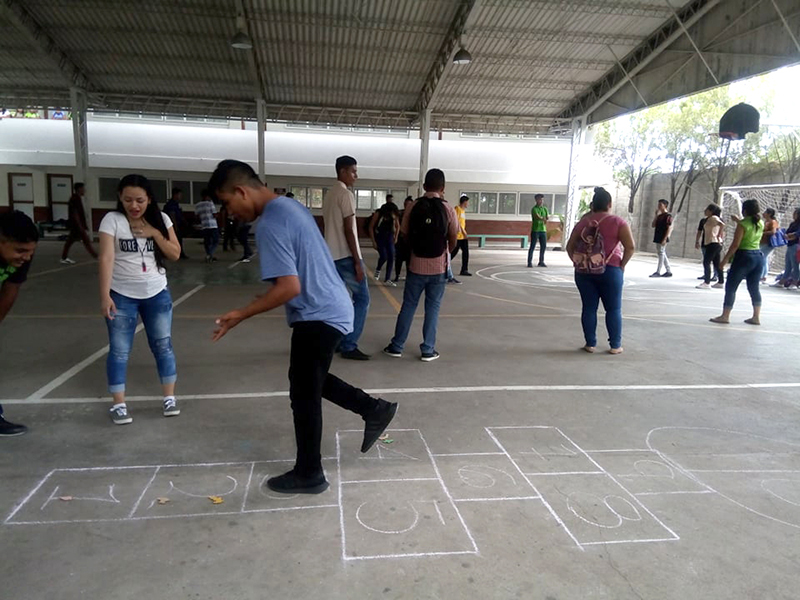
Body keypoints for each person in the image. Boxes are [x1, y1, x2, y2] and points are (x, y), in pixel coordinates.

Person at [208, 160, 397, 495]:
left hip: (318, 314)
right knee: (309, 379)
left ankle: (310, 472)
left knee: (304, 393)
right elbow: (297, 272)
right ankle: (374, 409)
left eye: (227, 203)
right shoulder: (289, 206)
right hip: (331, 307)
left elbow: (290, 287)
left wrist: (242, 313)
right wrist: (267, 296)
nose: (231, 213)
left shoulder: (268, 223)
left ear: (240, 191)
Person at [98, 174, 183, 425]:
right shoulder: (112, 221)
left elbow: (175, 253)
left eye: (140, 200)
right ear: (119, 199)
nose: (134, 206)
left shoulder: (162, 219)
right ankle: (119, 404)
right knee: (120, 350)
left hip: (157, 294)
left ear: (149, 200)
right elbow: (106, 258)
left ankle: (169, 399)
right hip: (121, 295)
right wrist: (104, 296)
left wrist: (155, 233)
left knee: (163, 346)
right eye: (128, 200)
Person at [383, 169, 457, 362]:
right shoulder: (448, 208)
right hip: (439, 267)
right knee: (432, 308)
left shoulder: (414, 206)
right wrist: (446, 252)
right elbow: (453, 236)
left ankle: (396, 346)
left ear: (424, 186)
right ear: (443, 188)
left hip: (416, 266)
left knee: (408, 306)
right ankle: (428, 349)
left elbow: (405, 234)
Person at [566, 187, 635, 355]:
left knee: (589, 308)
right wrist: (622, 265)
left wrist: (580, 263)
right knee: (613, 309)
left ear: (592, 205)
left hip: (584, 272)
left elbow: (570, 247)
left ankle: (590, 343)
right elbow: (630, 247)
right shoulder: (618, 222)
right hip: (611, 270)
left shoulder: (583, 222)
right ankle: (615, 345)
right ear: (609, 204)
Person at [322, 155, 370, 360]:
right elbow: (349, 230)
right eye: (353, 171)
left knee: (338, 301)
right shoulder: (345, 194)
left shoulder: (329, 194)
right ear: (342, 171)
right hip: (345, 256)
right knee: (362, 298)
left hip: (330, 256)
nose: (356, 176)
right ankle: (348, 344)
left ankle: (334, 341)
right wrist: (357, 261)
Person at [0, 211, 39, 436]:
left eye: (30, 251)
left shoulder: (23, 255)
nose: (25, 257)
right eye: (20, 251)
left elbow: (10, 288)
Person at [710, 199, 764, 325]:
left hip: (744, 256)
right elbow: (749, 227)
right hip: (758, 256)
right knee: (754, 287)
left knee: (731, 287)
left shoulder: (743, 224)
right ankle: (756, 316)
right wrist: (738, 221)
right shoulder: (760, 222)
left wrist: (724, 260)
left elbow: (735, 245)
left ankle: (725, 315)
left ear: (744, 211)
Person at [61, 182, 98, 263]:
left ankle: (64, 257)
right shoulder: (75, 199)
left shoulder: (76, 198)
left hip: (76, 225)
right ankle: (96, 256)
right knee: (86, 241)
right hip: (76, 225)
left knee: (70, 241)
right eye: (83, 189)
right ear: (79, 189)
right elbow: (75, 213)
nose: (84, 190)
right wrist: (80, 226)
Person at [369, 195, 399, 286]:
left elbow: (398, 226)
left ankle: (388, 278)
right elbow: (371, 227)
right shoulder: (379, 213)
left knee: (391, 256)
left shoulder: (394, 215)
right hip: (380, 237)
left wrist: (396, 237)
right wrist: (373, 241)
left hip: (389, 236)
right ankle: (378, 270)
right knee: (384, 256)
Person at [696, 204, 725, 289]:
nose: (705, 211)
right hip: (715, 243)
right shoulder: (708, 219)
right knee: (717, 263)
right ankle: (720, 281)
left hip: (713, 243)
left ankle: (707, 282)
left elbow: (722, 224)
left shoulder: (713, 218)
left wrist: (719, 234)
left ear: (711, 211)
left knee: (706, 262)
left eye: (707, 209)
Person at [776, 208, 800, 289]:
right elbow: (787, 232)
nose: (793, 215)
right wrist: (785, 235)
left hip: (795, 246)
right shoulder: (793, 223)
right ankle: (782, 281)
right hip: (790, 245)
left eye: (795, 213)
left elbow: (797, 234)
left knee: (795, 265)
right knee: (788, 264)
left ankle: (795, 282)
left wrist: (790, 236)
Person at [194, 190, 220, 263]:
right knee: (215, 241)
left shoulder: (198, 205)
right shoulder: (210, 203)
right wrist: (217, 215)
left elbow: (196, 216)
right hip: (213, 225)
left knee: (207, 242)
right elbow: (214, 215)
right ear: (207, 196)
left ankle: (209, 255)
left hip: (204, 226)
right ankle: (210, 254)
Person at [650, 199, 673, 278]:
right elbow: (653, 225)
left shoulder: (668, 216)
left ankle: (658, 271)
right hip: (658, 236)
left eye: (660, 205)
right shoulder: (659, 216)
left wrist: (665, 238)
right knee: (662, 253)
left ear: (665, 206)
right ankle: (668, 270)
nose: (659, 206)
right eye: (658, 205)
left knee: (661, 253)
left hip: (663, 237)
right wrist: (656, 215)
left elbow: (668, 228)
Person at [164, 187, 189, 259]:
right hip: (173, 225)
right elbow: (172, 215)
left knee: (179, 240)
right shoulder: (171, 204)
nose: (180, 196)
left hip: (177, 224)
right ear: (175, 195)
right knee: (175, 240)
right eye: (179, 195)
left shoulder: (176, 204)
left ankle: (180, 253)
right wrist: (175, 226)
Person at [393, 196, 413, 282]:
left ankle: (409, 276)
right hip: (400, 240)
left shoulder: (414, 214)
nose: (406, 206)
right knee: (399, 259)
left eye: (408, 204)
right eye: (405, 204)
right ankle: (397, 275)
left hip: (410, 241)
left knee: (409, 260)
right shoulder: (399, 213)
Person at [451, 195, 471, 277]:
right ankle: (443, 266)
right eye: (468, 202)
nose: (468, 204)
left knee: (466, 253)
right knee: (453, 253)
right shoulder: (457, 209)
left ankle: (464, 269)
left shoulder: (463, 211)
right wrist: (464, 232)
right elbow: (457, 222)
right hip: (458, 236)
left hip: (462, 237)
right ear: (464, 202)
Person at [527, 194, 549, 268]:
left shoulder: (545, 209)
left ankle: (541, 261)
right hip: (535, 230)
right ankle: (529, 262)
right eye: (539, 199)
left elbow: (547, 217)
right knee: (532, 246)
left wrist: (545, 218)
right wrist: (543, 218)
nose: (541, 201)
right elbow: (537, 216)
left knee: (543, 246)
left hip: (543, 230)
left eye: (542, 199)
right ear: (536, 200)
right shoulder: (534, 209)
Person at [759, 207, 780, 282]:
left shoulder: (773, 222)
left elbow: (773, 231)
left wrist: (763, 233)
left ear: (769, 214)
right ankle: (763, 275)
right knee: (764, 258)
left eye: (765, 212)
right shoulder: (765, 222)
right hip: (762, 242)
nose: (763, 213)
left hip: (768, 243)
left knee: (762, 257)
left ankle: (762, 275)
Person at [695, 215, 716, 282]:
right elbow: (699, 231)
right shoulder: (703, 220)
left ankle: (715, 275)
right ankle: (706, 274)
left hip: (713, 243)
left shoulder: (717, 220)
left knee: (714, 260)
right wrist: (697, 241)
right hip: (705, 243)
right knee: (706, 261)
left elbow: (722, 228)